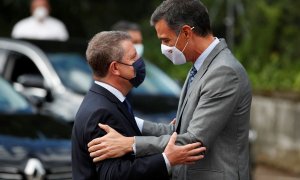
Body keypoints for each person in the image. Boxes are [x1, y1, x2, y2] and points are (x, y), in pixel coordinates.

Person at [87, 0, 252, 180]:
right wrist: (130, 120)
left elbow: (192, 141)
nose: (164, 48)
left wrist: (130, 144)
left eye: (166, 40)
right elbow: (177, 131)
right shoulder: (199, 67)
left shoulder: (224, 72)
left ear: (187, 33)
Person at [71, 31, 206, 180]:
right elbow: (113, 174)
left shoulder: (107, 100)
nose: (140, 61)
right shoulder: (101, 112)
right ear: (115, 68)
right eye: (133, 57)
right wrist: (166, 159)